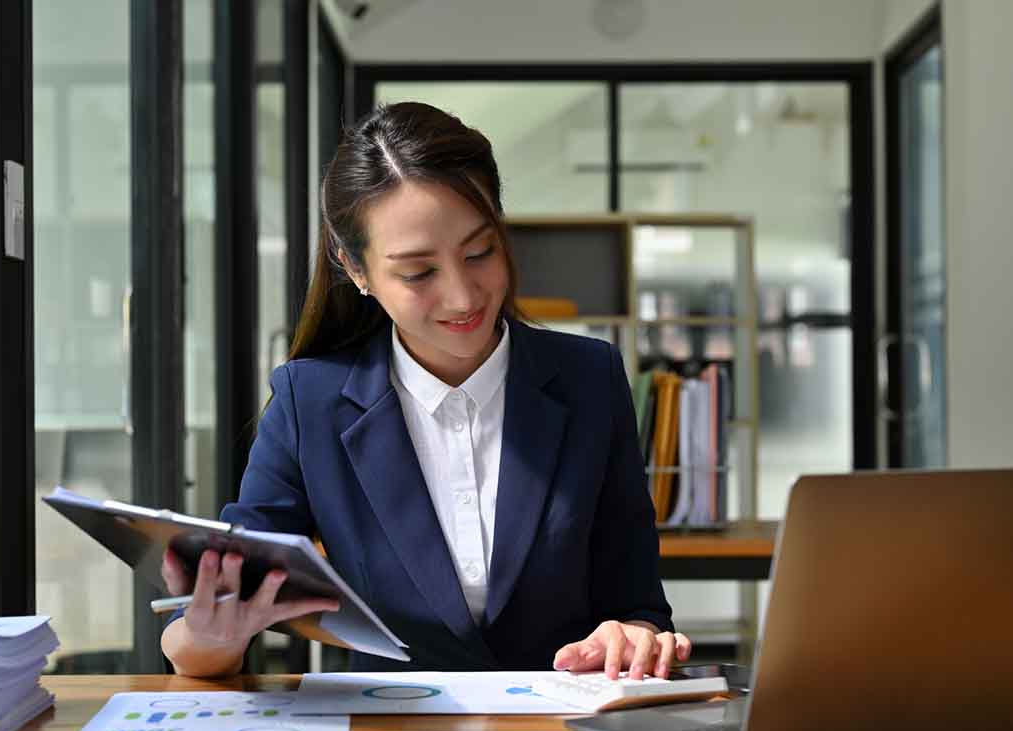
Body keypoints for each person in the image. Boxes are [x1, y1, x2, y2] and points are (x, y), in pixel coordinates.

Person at [160, 101, 691, 680]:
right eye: (418, 273)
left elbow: (637, 603)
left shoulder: (591, 379)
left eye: (479, 252)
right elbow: (205, 631)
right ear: (355, 269)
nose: (463, 297)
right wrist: (211, 635)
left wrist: (633, 636)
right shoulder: (309, 402)